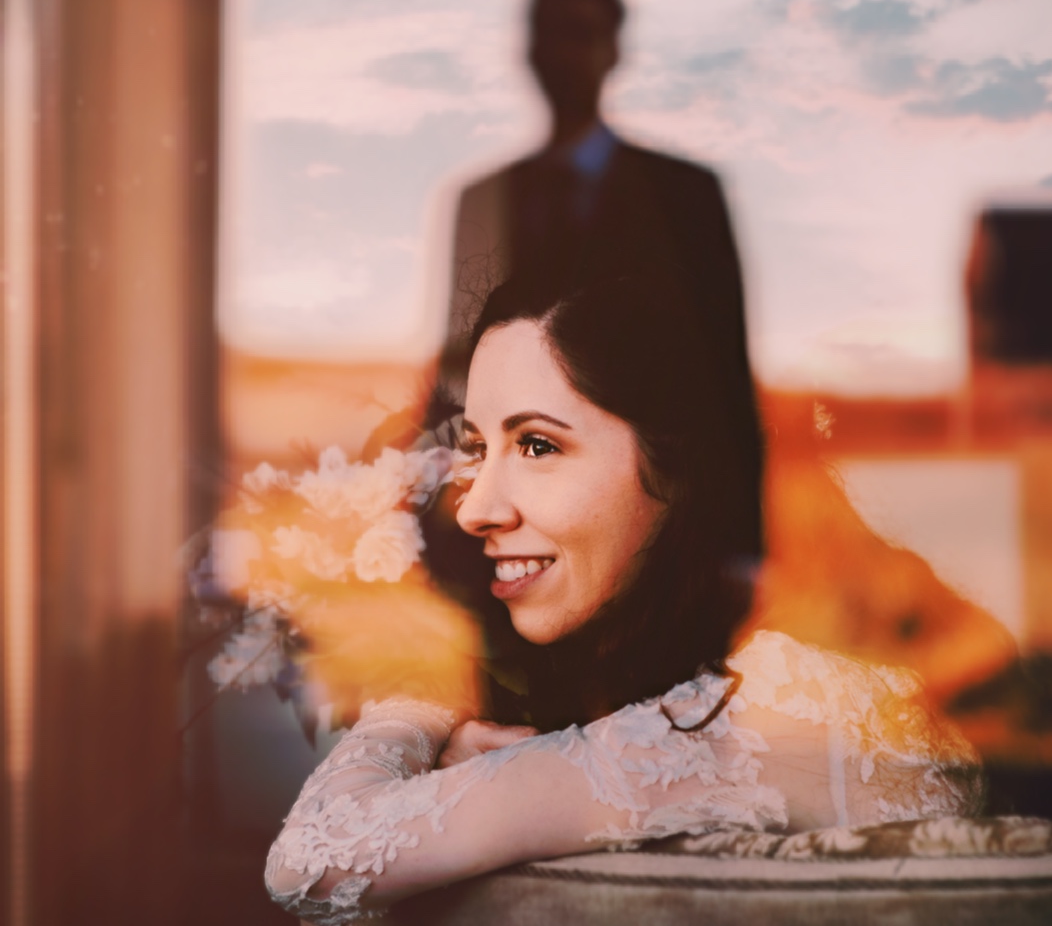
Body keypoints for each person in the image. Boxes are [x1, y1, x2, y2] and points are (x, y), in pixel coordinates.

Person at [265, 277, 983, 923]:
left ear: (678, 467)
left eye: (539, 446)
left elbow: (311, 863)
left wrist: (418, 702)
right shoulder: (783, 684)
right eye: (480, 448)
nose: (475, 508)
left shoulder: (749, 719)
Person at [444, 0, 763, 568]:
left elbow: (723, 368)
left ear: (613, 50)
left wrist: (742, 548)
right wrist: (437, 525)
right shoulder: (482, 198)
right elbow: (453, 370)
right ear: (529, 51)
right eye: (551, 33)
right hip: (508, 533)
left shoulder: (685, 195)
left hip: (653, 531)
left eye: (582, 33)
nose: (566, 53)